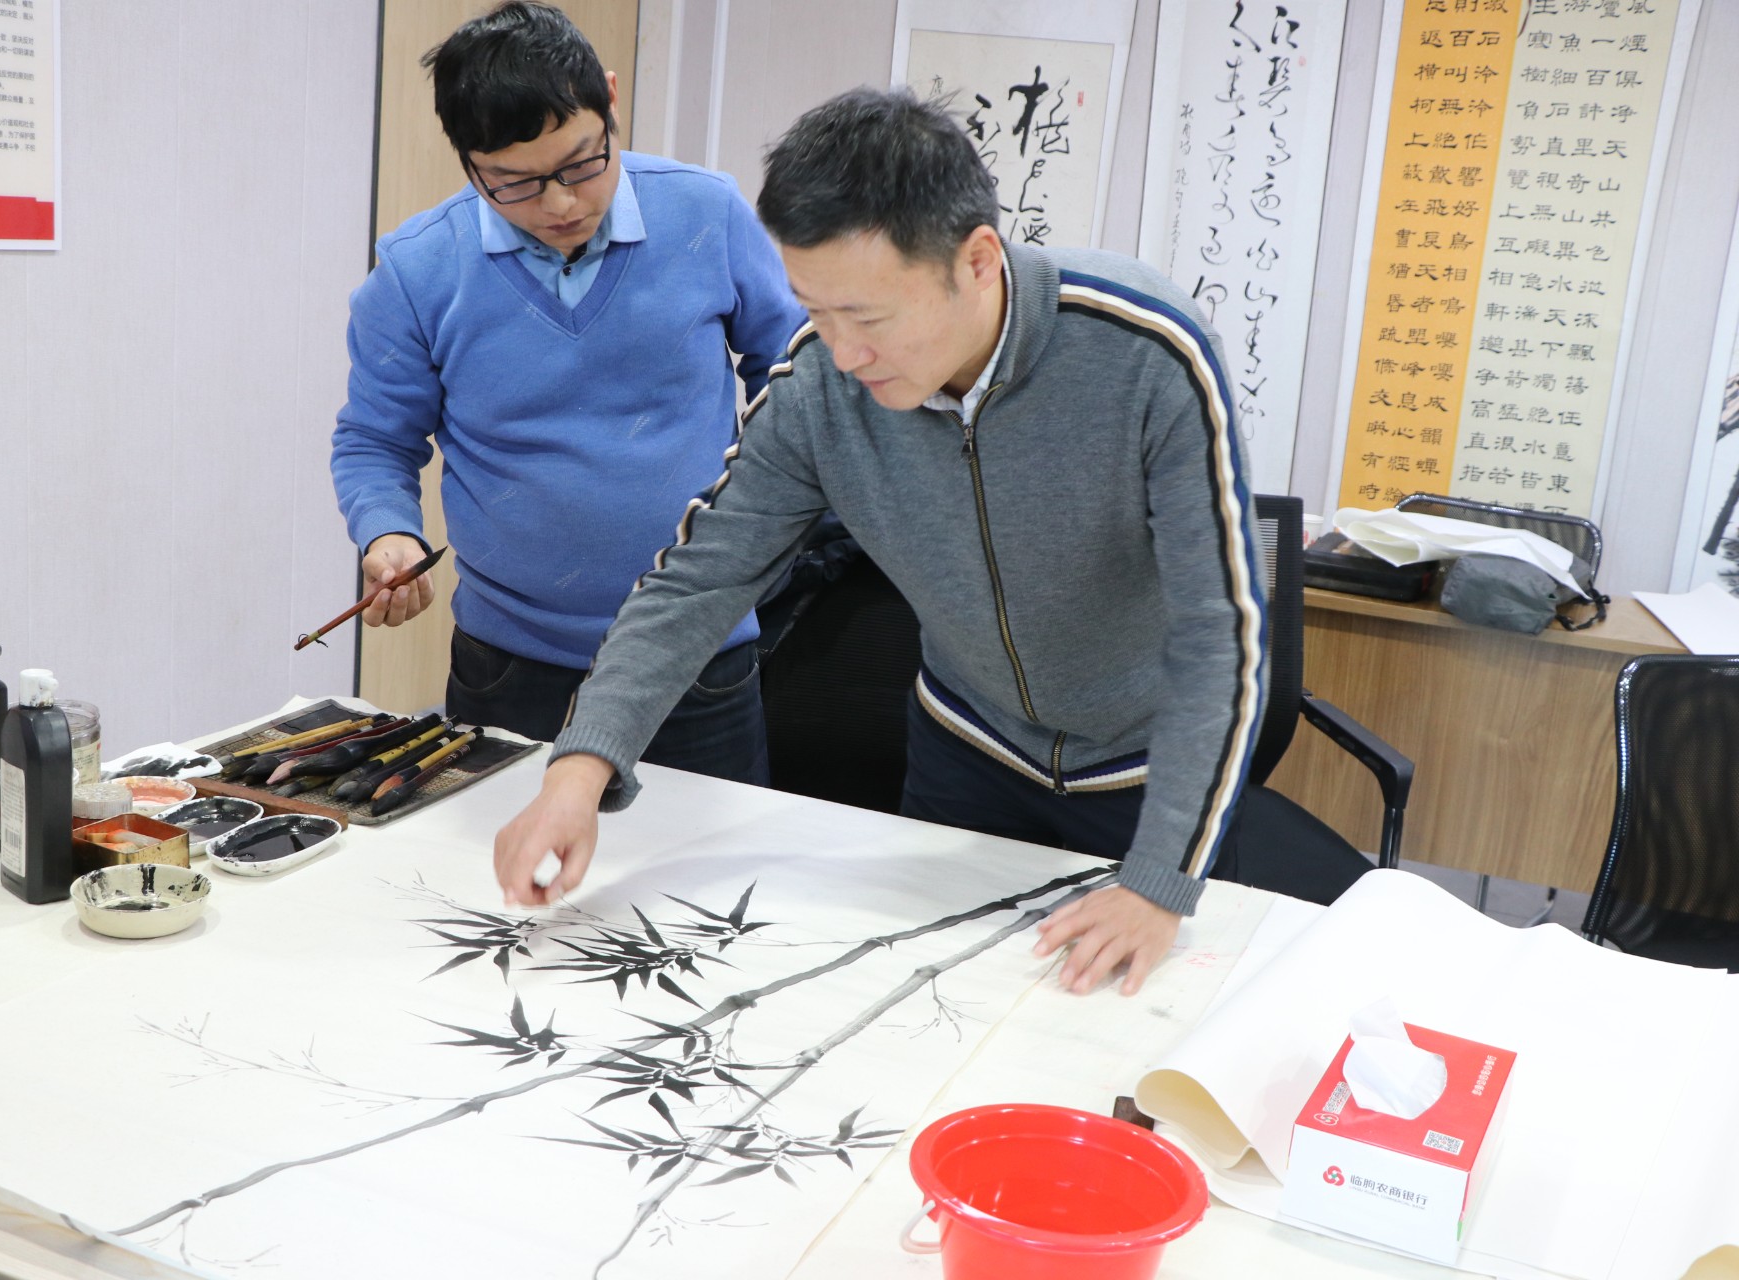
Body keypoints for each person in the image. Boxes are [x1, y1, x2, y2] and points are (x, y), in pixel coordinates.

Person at [493, 87, 1267, 998]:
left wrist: (1160, 882)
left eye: (868, 318)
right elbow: (698, 582)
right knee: (931, 1005)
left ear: (977, 260)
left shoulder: (1145, 354)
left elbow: (1218, 633)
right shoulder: (821, 389)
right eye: (816, 312)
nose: (842, 352)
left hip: (1146, 775)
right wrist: (579, 772)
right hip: (967, 755)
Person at [330, 2, 804, 784]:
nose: (560, 204)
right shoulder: (418, 271)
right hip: (513, 666)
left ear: (610, 101)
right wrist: (389, 534)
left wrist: (767, 512)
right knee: (508, 863)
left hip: (699, 653)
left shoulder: (708, 214)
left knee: (701, 862)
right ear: (468, 161)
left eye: (582, 165)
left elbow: (795, 373)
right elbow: (375, 440)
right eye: (514, 183)